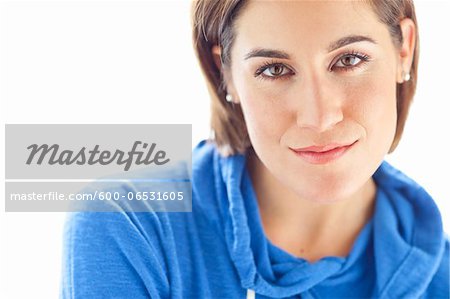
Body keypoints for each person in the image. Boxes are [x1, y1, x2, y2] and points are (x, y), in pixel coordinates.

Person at [60, 0, 449, 298]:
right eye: (274, 70)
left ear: (404, 51)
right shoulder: (130, 226)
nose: (318, 117)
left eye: (349, 60)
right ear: (226, 73)